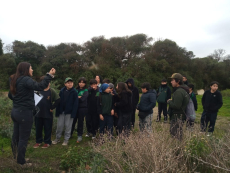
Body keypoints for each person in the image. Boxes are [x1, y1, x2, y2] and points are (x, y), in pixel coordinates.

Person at [8, 62, 55, 166]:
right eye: (31, 68)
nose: (32, 70)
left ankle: (16, 157)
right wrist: (50, 75)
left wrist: (20, 99)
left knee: (16, 136)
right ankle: (21, 162)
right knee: (23, 138)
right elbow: (41, 86)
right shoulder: (26, 79)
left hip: (15, 111)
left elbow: (10, 95)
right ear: (26, 69)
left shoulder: (14, 79)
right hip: (24, 113)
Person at [33, 76, 60, 149]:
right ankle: (38, 141)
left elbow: (58, 100)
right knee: (38, 128)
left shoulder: (51, 91)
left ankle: (47, 142)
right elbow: (34, 101)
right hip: (38, 113)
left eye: (49, 82)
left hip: (47, 113)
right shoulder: (38, 90)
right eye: (46, 82)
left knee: (48, 128)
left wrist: (52, 107)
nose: (48, 84)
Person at [52, 77, 78, 146]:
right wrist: (57, 111)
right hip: (61, 112)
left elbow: (76, 104)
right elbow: (59, 101)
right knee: (59, 126)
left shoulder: (74, 92)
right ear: (65, 84)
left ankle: (66, 140)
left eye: (71, 83)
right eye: (68, 83)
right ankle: (57, 138)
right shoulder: (62, 91)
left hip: (69, 112)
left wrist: (73, 114)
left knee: (68, 126)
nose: (70, 84)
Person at [167, 73, 189, 140]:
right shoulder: (184, 89)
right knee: (178, 134)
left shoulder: (179, 91)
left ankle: (177, 149)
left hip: (177, 116)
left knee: (175, 135)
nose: (171, 82)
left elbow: (177, 106)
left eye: (172, 80)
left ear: (178, 81)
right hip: (181, 116)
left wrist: (169, 101)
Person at [71, 77, 88, 143]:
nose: (81, 84)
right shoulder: (75, 90)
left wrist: (78, 97)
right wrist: (78, 97)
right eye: (80, 82)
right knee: (73, 121)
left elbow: (82, 99)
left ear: (85, 83)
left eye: (83, 82)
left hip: (82, 108)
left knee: (80, 122)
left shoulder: (86, 91)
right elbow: (72, 98)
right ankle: (70, 133)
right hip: (75, 108)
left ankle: (79, 135)